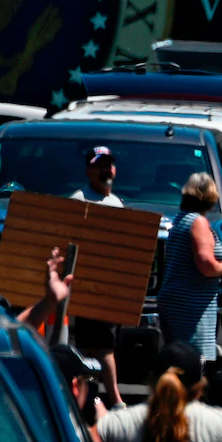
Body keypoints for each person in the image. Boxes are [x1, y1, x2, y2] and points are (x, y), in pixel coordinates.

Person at [160, 174, 222, 364]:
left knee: (177, 360)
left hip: (175, 300)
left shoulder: (181, 220)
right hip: (190, 306)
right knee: (192, 362)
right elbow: (206, 264)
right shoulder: (198, 222)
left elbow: (190, 263)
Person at [69, 145, 125, 408]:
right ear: (88, 170)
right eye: (100, 165)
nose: (106, 170)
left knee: (104, 344)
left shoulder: (117, 204)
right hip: (85, 286)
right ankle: (111, 400)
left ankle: (93, 399)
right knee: (94, 346)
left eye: (109, 165)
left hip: (109, 287)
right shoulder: (79, 200)